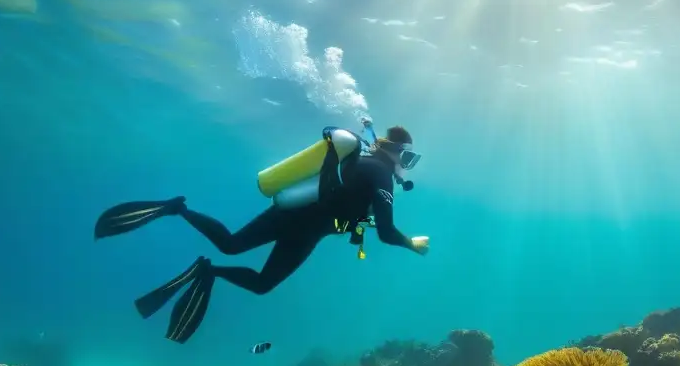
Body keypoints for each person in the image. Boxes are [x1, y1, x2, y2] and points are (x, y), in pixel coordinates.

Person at [94, 125, 429, 344]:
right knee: (261, 284)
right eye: (408, 158)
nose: (406, 167)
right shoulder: (381, 175)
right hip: (304, 233)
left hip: (287, 215)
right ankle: (208, 270)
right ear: (396, 153)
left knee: (231, 245)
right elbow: (385, 232)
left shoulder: (362, 162)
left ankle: (178, 211)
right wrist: (411, 245)